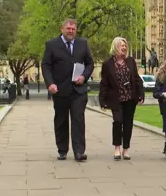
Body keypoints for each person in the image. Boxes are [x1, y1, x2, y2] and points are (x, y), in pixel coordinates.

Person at [41, 18, 94, 162]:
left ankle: (79, 152)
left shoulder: (83, 44)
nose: (71, 31)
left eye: (73, 29)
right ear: (62, 29)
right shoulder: (52, 45)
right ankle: (62, 150)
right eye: (68, 28)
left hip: (78, 90)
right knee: (61, 120)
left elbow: (90, 63)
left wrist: (84, 76)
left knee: (78, 120)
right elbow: (45, 65)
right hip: (60, 90)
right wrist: (50, 84)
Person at [99, 37, 144, 160]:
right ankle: (117, 148)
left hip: (130, 98)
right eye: (121, 45)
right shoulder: (107, 64)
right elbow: (104, 84)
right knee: (118, 122)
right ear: (115, 47)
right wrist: (102, 100)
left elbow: (136, 79)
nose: (124, 47)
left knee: (128, 124)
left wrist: (140, 95)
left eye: (125, 45)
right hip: (116, 98)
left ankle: (126, 149)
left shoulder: (130, 62)